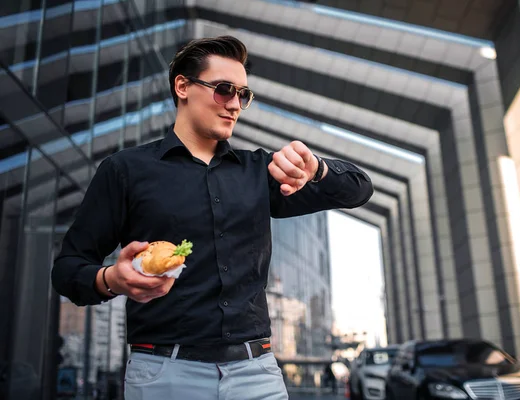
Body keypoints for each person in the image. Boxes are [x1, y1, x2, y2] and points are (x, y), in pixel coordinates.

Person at [52, 35, 373, 400]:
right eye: (224, 90)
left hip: (257, 374)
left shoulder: (259, 172)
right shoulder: (125, 170)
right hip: (164, 374)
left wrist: (316, 168)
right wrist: (111, 279)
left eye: (243, 95)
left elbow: (359, 190)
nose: (235, 104)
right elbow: (67, 269)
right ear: (183, 86)